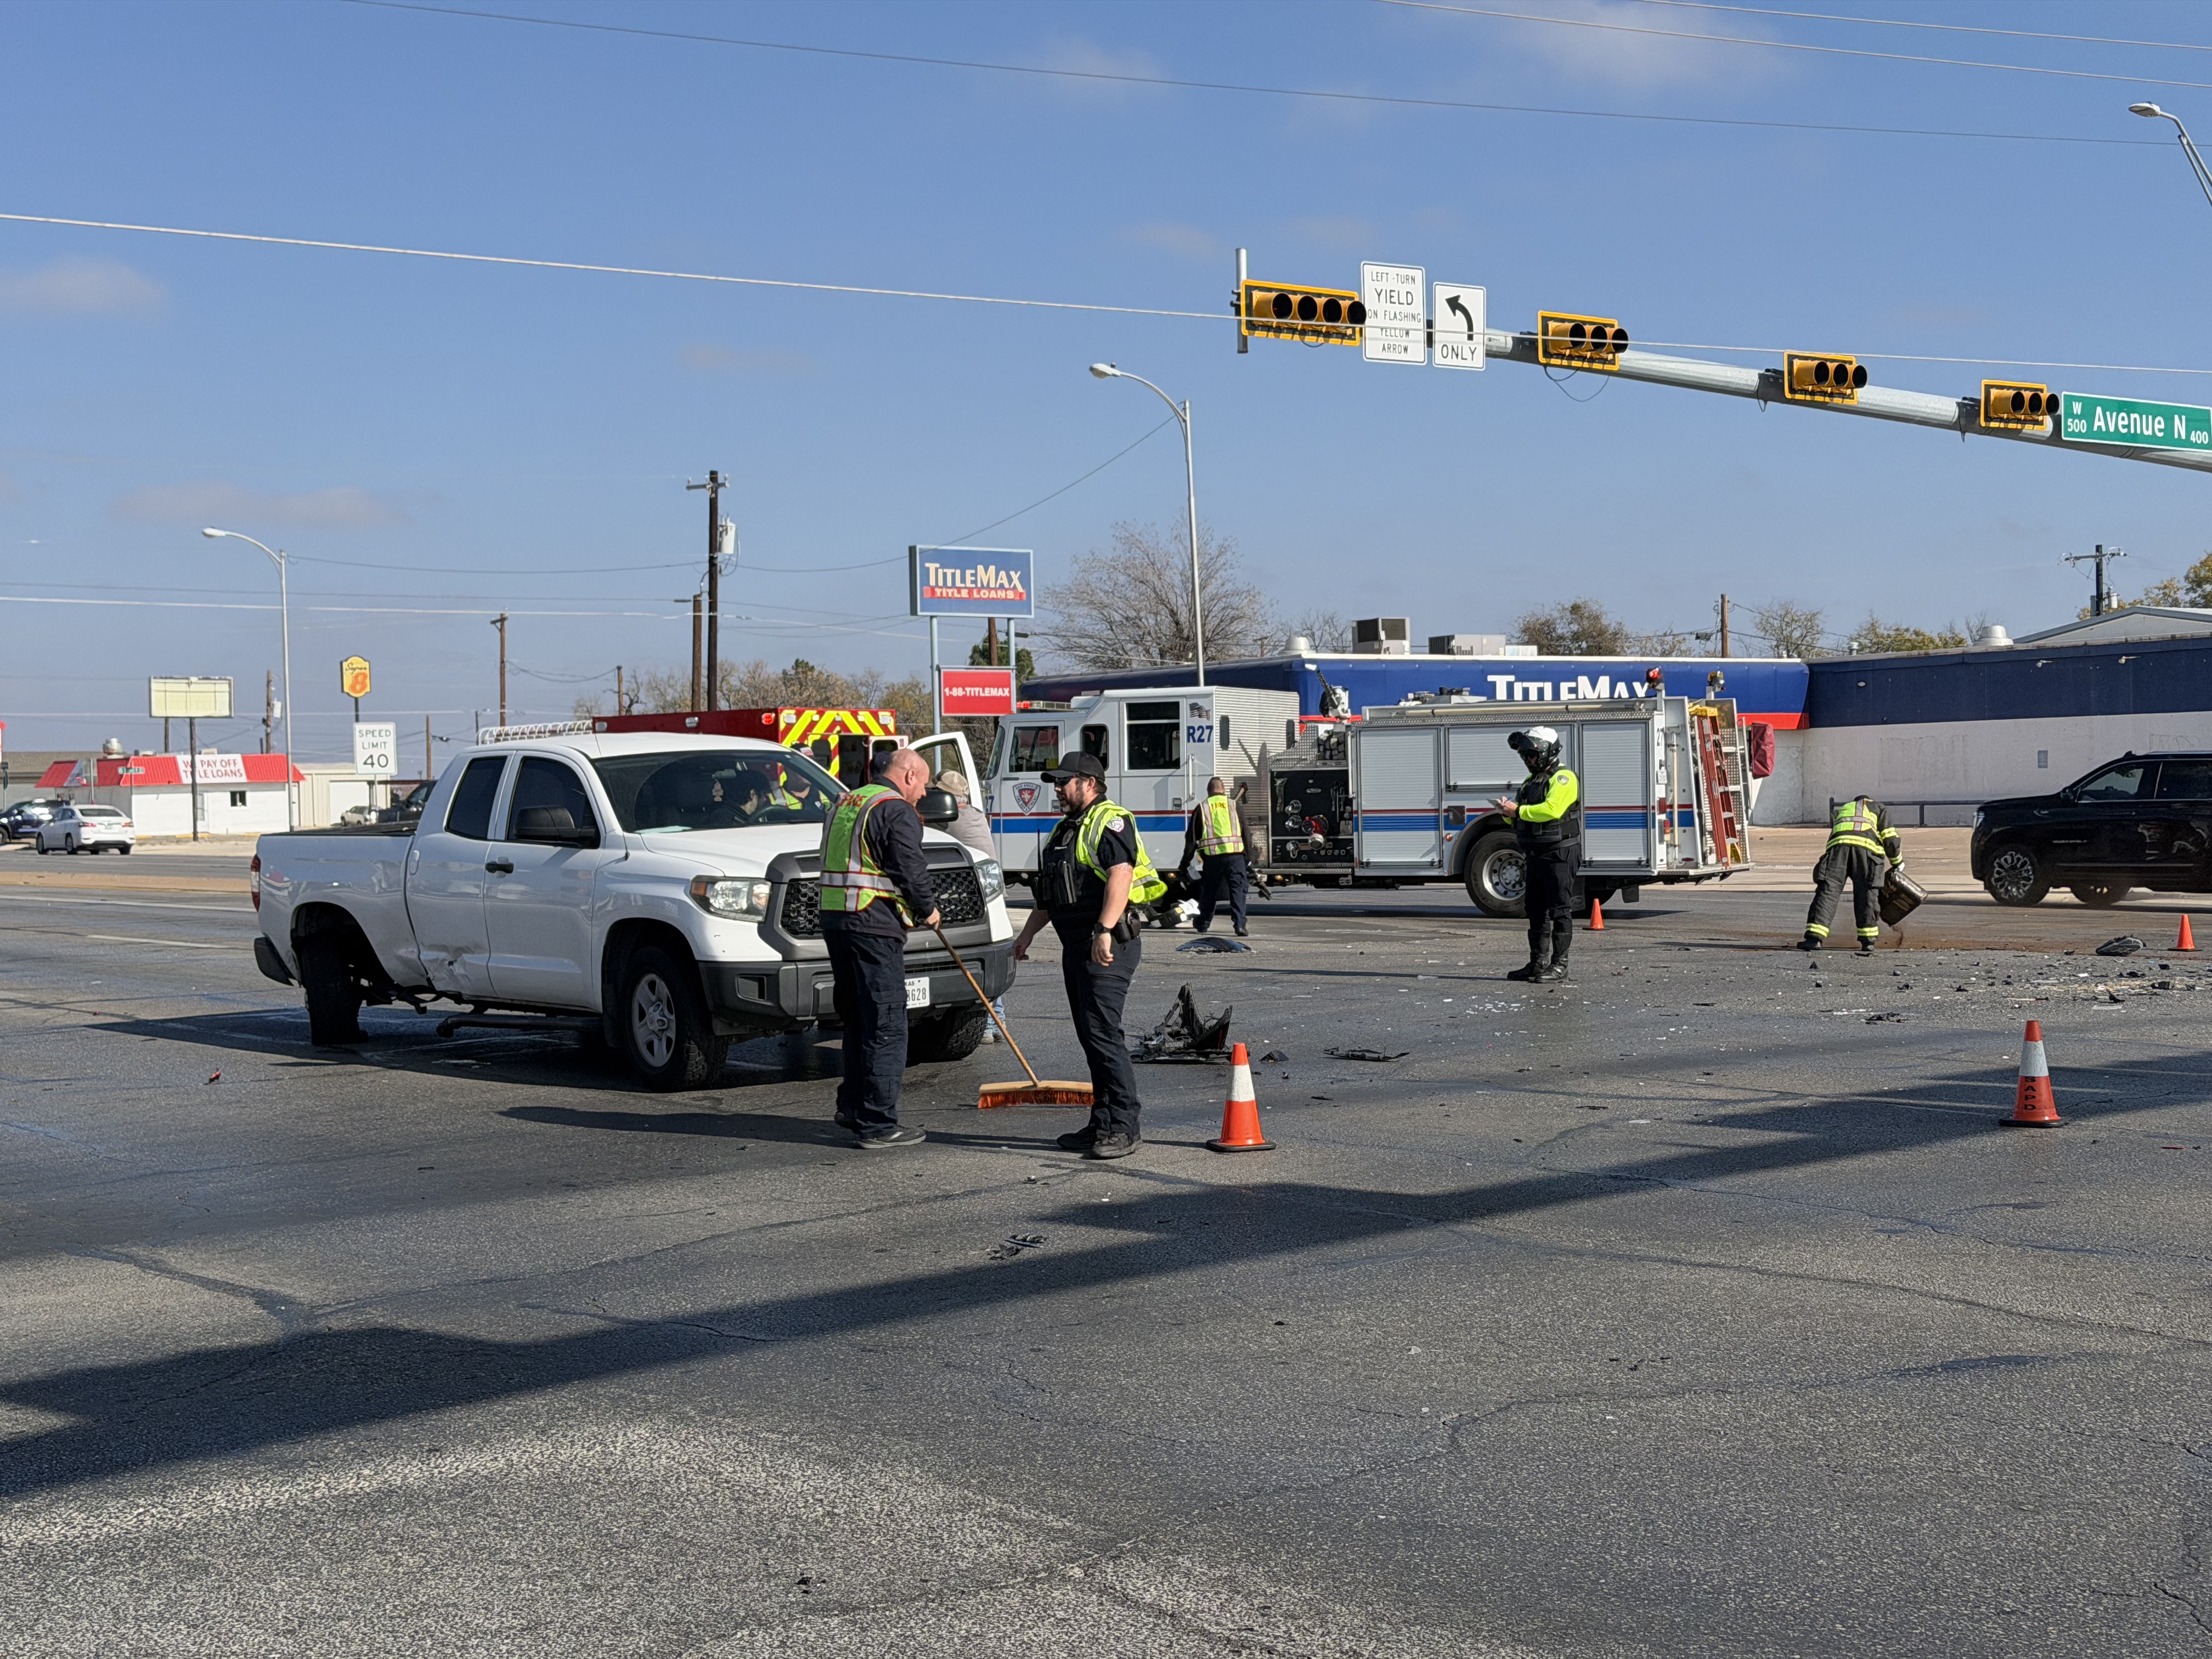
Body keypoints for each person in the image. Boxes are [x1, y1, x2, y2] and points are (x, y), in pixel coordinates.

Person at [1011, 753, 1165, 1159]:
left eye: (1065, 782)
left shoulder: (1111, 819)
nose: (1058, 789)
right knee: (1090, 1036)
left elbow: (1122, 874)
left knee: (1103, 1035)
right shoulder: (1065, 830)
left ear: (1090, 783)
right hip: (1077, 944)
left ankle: (1124, 1127)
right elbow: (1052, 894)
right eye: (1056, 783)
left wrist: (1104, 930)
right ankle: (1102, 1123)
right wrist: (1026, 936)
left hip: (1109, 944)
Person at [817, 748, 940, 1148]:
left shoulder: (846, 802)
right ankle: (879, 1124)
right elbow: (909, 867)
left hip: (838, 921)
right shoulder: (894, 809)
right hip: (873, 925)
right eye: (922, 783)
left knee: (858, 1020)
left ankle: (854, 1107)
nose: (922, 792)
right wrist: (929, 909)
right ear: (907, 776)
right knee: (887, 1024)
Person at [1494, 727, 1581, 984]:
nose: (1529, 761)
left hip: (1559, 853)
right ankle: (1538, 963)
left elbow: (1552, 810)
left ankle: (1560, 965)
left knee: (1560, 909)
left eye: (1532, 756)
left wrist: (1518, 810)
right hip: (1535, 853)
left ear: (1548, 753)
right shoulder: (1530, 783)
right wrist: (1506, 813)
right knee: (1535, 908)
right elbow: (1519, 821)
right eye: (1525, 756)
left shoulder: (1563, 778)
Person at [936, 768, 1007, 1042]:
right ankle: (997, 1019)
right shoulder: (977, 814)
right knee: (989, 958)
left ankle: (987, 1025)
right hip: (991, 895)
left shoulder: (950, 821)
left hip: (967, 902)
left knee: (971, 961)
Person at [1800, 794, 1902, 953]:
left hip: (1837, 852)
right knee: (1867, 894)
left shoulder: (1844, 810)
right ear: (1869, 800)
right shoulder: (1878, 807)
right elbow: (1890, 838)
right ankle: (1868, 942)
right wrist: (1897, 862)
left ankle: (1814, 939)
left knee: (1828, 893)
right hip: (1867, 853)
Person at [1176, 775, 1249, 938]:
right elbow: (1246, 833)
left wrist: (1185, 863)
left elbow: (1191, 839)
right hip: (1236, 857)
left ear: (1209, 792)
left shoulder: (1203, 808)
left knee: (1209, 892)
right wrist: (1248, 858)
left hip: (1213, 859)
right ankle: (1240, 926)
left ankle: (1203, 924)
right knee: (1237, 891)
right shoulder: (1234, 806)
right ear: (1223, 790)